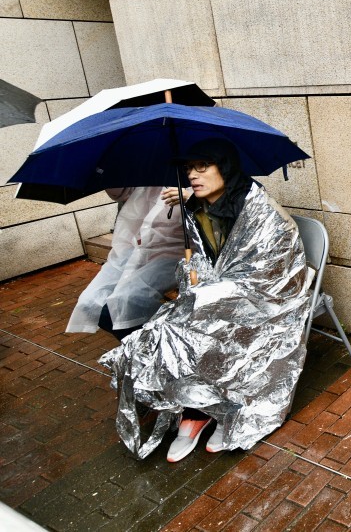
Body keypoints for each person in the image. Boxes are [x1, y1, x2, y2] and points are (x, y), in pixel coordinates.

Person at [100, 138, 314, 463]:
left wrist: (208, 293)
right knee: (143, 320)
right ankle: (197, 405)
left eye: (202, 166)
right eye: (188, 169)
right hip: (223, 299)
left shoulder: (257, 209)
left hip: (270, 305)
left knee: (172, 331)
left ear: (224, 168)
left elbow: (272, 275)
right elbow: (207, 262)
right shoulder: (197, 209)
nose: (193, 175)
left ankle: (214, 407)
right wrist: (194, 274)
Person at [67, 187, 184, 339]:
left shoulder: (193, 179)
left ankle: (163, 343)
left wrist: (191, 200)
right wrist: (110, 176)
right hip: (135, 246)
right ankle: (145, 346)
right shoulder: (148, 175)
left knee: (122, 306)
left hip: (173, 252)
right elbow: (124, 193)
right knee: (89, 304)